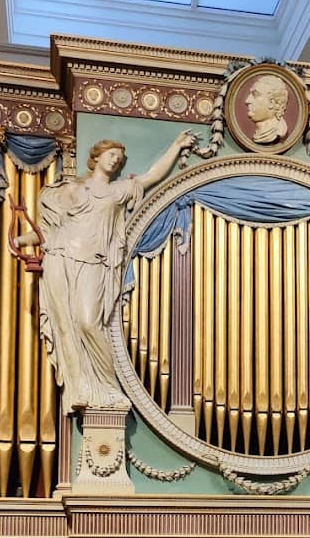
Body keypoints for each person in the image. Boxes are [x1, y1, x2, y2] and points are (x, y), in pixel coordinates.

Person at [18, 132, 197, 412]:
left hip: (93, 262)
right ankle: (80, 388)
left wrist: (175, 146)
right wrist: (18, 241)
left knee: (89, 321)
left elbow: (151, 176)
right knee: (66, 325)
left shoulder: (118, 191)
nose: (116, 161)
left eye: (120, 158)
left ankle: (107, 386)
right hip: (61, 257)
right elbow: (47, 230)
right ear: (96, 157)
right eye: (111, 155)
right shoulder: (72, 190)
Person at [243, 74, 289, 144]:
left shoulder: (279, 131)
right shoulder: (259, 133)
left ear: (272, 102)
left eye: (255, 95)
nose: (247, 101)